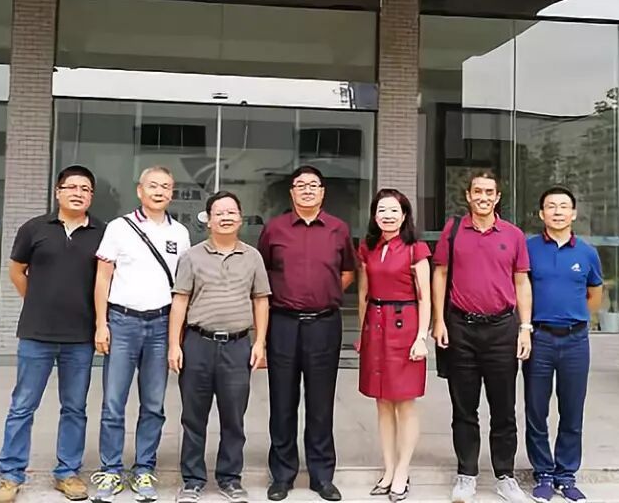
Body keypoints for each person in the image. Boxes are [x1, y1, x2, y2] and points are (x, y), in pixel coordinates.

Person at [0, 165, 105, 503]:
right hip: (36, 334)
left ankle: (67, 473)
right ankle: (11, 475)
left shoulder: (102, 232)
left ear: (91, 196)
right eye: (71, 187)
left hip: (80, 336)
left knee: (74, 408)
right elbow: (17, 271)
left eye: (85, 189)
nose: (78, 193)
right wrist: (38, 301)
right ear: (58, 192)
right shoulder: (34, 228)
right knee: (23, 405)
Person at [431, 170, 532, 503]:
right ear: (468, 195)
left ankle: (505, 476)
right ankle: (466, 474)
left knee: (504, 409)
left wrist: (525, 327)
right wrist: (438, 321)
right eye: (478, 191)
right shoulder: (453, 230)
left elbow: (521, 282)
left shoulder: (513, 235)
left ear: (497, 197)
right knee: (464, 408)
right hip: (461, 328)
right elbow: (440, 274)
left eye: (490, 192)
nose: (483, 197)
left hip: (502, 329)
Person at [92, 167, 192, 503]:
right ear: (140, 190)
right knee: (113, 402)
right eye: (153, 186)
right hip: (122, 323)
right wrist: (101, 323)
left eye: (165, 187)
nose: (159, 191)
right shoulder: (118, 228)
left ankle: (144, 468)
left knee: (153, 404)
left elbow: (183, 287)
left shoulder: (180, 233)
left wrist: (177, 336)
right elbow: (103, 278)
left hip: (161, 325)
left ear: (172, 193)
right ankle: (111, 470)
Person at [258, 165, 356, 502]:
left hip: (324, 324)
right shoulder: (275, 229)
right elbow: (262, 274)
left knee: (320, 404)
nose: (307, 190)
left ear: (323, 192)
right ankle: (282, 475)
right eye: (301, 185)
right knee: (282, 402)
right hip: (283, 324)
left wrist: (324, 292)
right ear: (292, 192)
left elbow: (347, 271)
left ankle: (321, 475)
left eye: (314, 185)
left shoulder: (338, 229)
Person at [169, 191, 271, 503]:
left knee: (233, 418)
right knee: (193, 417)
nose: (225, 217)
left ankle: (230, 478)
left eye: (231, 212)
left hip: (237, 346)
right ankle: (192, 480)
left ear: (240, 218)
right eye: (219, 213)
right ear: (208, 220)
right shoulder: (192, 256)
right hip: (197, 344)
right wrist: (174, 344)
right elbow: (180, 301)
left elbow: (261, 300)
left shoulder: (253, 257)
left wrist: (260, 343)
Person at [523, 186, 603, 503]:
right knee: (536, 410)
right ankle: (543, 472)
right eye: (551, 206)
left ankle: (566, 474)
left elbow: (594, 294)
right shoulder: (528, 248)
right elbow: (520, 288)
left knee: (572, 410)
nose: (557, 212)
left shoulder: (587, 253)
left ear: (573, 213)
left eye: (563, 206)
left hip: (575, 341)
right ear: (541, 213)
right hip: (539, 338)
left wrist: (576, 318)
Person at [356, 189, 431, 503]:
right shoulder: (368, 247)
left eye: (393, 210)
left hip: (405, 325)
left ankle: (403, 470)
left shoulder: (416, 249)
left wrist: (421, 337)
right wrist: (361, 332)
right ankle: (388, 470)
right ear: (374, 215)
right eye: (381, 210)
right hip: (375, 325)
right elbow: (364, 293)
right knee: (382, 401)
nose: (387, 216)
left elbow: (425, 296)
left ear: (404, 215)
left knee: (405, 402)